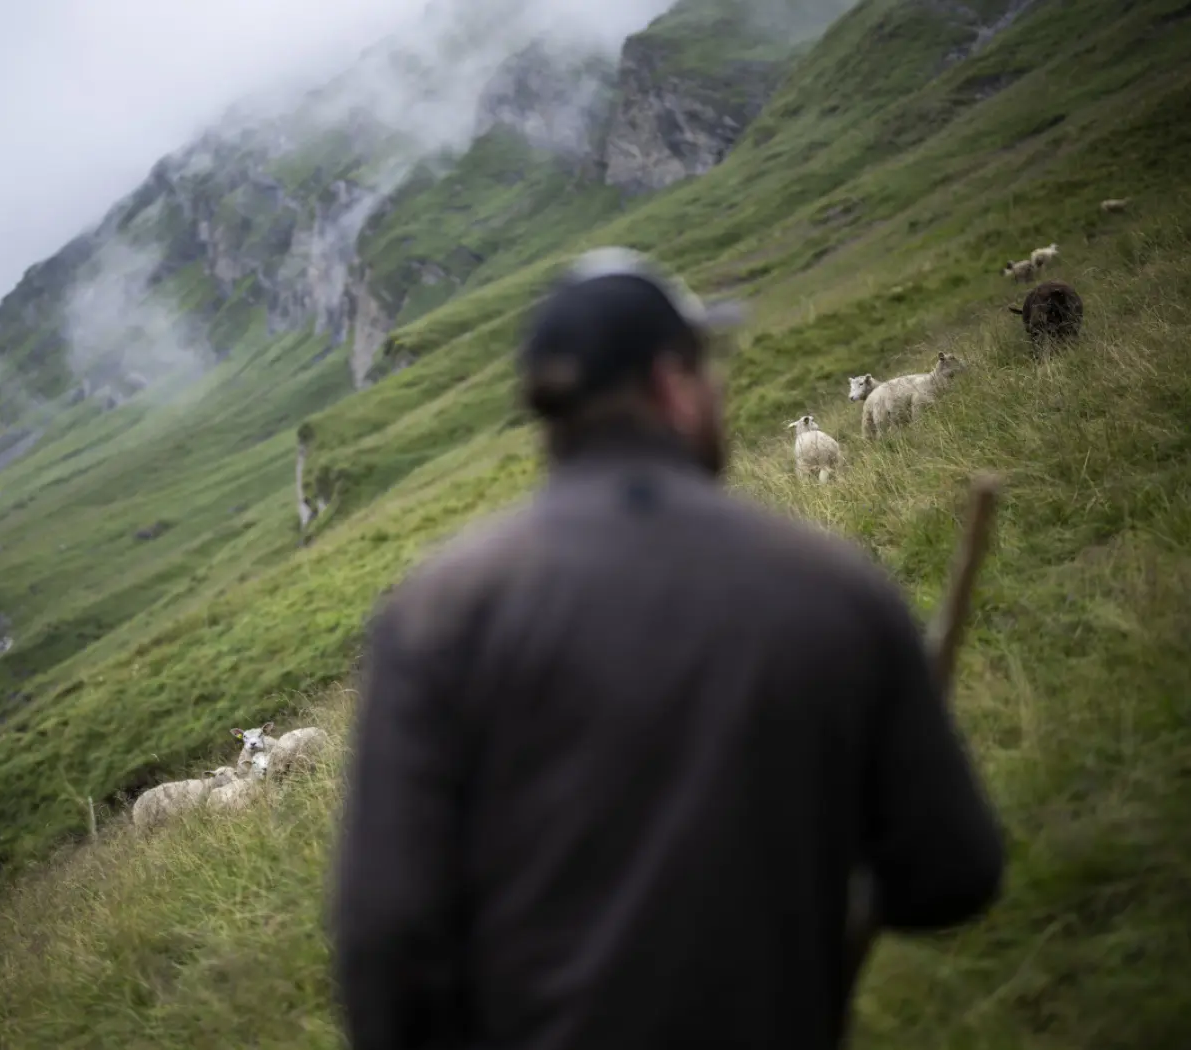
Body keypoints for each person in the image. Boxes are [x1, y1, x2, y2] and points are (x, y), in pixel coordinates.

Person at [333, 247, 1005, 1050]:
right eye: (704, 364)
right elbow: (950, 874)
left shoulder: (435, 613)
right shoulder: (829, 584)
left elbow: (386, 940)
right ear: (671, 383)